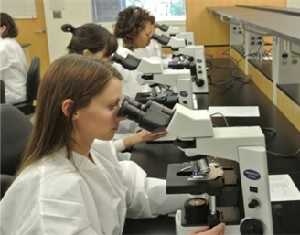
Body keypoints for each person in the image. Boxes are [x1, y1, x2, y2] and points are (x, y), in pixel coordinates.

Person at [0, 54, 225, 235]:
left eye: (121, 104)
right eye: (111, 107)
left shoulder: (94, 149)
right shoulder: (52, 198)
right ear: (71, 110)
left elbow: (137, 194)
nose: (122, 115)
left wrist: (206, 191)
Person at [61, 23, 164, 153]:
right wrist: (133, 139)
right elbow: (88, 150)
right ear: (87, 54)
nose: (111, 62)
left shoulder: (83, 77)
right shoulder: (73, 87)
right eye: (106, 56)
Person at [0, 12, 27, 104]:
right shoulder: (11, 43)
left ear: (2, 28)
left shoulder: (4, 47)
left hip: (12, 95)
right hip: (17, 91)